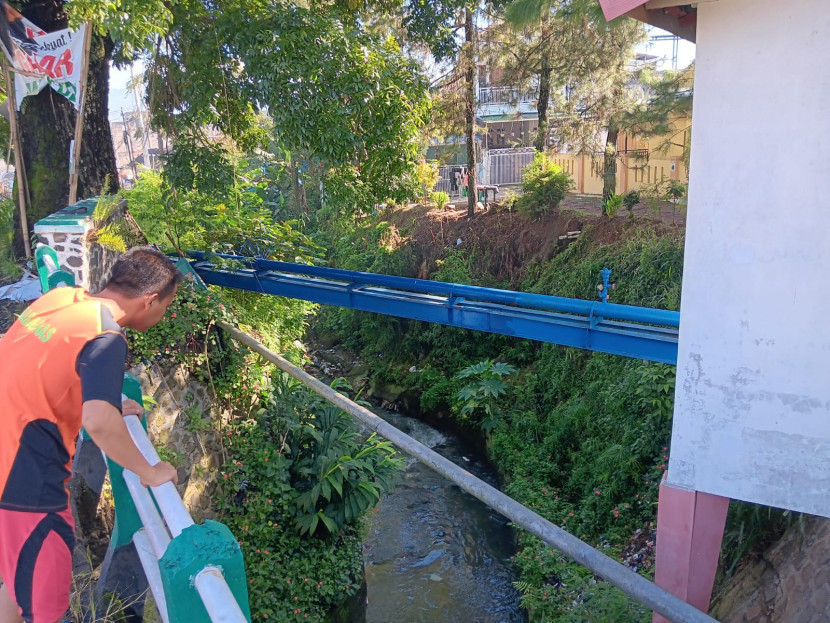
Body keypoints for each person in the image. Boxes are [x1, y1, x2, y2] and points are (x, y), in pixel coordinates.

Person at [0, 246, 184, 623]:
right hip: (26, 486)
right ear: (149, 301)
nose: (164, 316)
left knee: (16, 582)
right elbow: (99, 421)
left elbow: (50, 368)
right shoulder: (107, 336)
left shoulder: (57, 300)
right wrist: (149, 471)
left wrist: (109, 401)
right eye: (166, 307)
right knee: (45, 611)